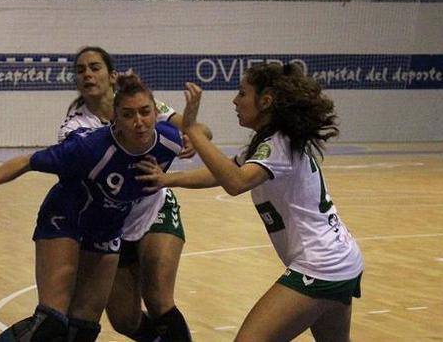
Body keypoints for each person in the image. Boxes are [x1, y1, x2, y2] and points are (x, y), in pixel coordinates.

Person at [138, 62, 365, 342]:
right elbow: (220, 173)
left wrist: (192, 129)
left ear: (265, 100)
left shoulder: (277, 144)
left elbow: (235, 182)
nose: (235, 100)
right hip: (342, 260)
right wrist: (167, 179)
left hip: (321, 266)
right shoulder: (269, 142)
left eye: (242, 93)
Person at [0, 73, 183, 341]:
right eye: (129, 115)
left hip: (107, 229)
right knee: (50, 323)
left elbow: (212, 156)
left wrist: (174, 177)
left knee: (82, 331)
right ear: (115, 119)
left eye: (145, 112)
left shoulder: (170, 140)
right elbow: (27, 161)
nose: (139, 122)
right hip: (67, 216)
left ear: (156, 113)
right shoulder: (90, 149)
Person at [60, 46, 201, 341]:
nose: (87, 74)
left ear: (112, 76)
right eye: (81, 69)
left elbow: (201, 132)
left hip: (154, 207)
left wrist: (191, 139)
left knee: (159, 299)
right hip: (112, 223)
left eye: (95, 67)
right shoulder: (75, 125)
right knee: (125, 320)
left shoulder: (141, 105)